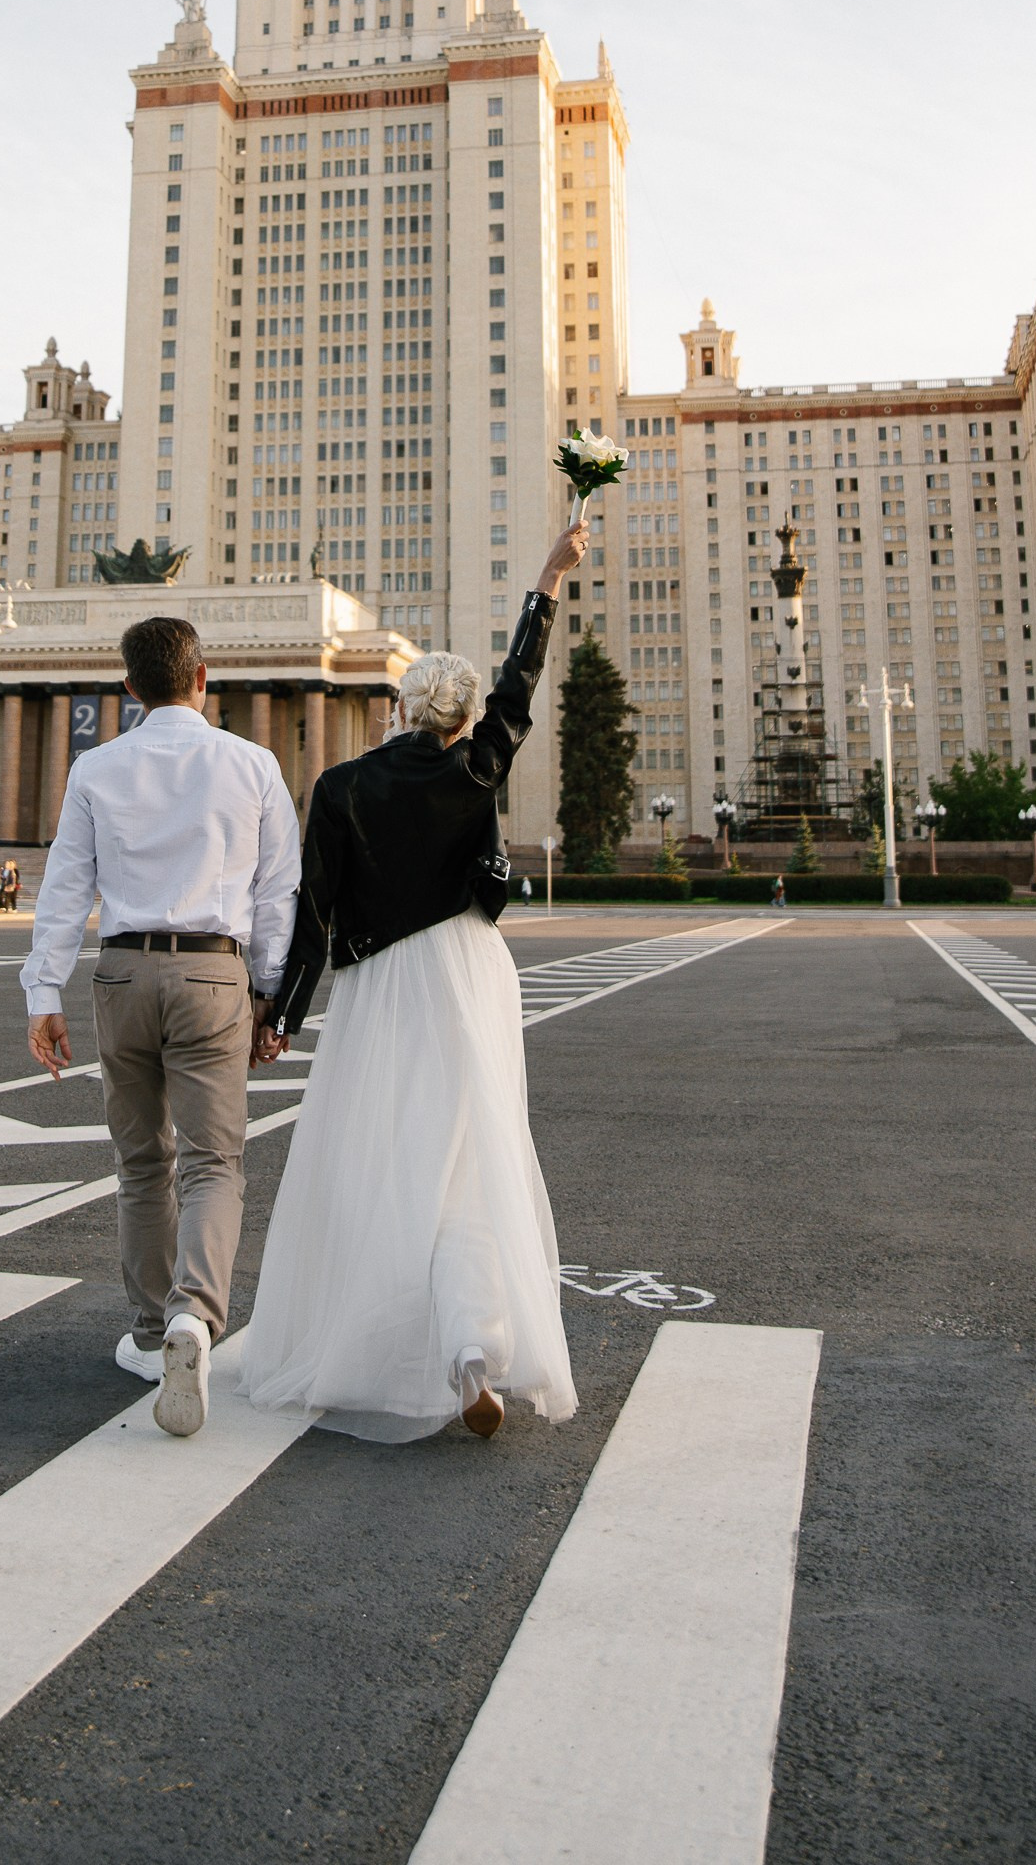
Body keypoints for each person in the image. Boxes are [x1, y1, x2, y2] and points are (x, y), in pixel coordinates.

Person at [238, 521, 589, 1447]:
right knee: (469, 1158)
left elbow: (313, 913)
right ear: (462, 721)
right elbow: (522, 682)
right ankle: (474, 1352)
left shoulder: (342, 787)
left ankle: (370, 1344)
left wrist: (279, 1015)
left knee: (381, 1159)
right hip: (470, 973)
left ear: (398, 708)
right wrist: (547, 581)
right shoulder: (478, 767)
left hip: (381, 989)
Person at [24, 612, 300, 1441]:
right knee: (215, 1162)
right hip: (215, 970)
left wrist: (44, 993)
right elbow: (276, 894)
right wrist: (272, 997)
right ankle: (195, 1320)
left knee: (143, 1162)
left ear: (129, 689)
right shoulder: (252, 764)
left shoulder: (96, 766)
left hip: (123, 969)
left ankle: (151, 1335)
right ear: (204, 676)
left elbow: (65, 887)